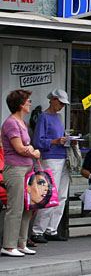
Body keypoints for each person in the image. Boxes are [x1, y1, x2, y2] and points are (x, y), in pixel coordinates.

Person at [2, 89, 41, 257]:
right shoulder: (11, 123)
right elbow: (19, 148)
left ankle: (21, 242)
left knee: (28, 207)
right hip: (15, 169)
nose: (30, 103)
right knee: (16, 207)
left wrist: (31, 150)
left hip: (27, 169)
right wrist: (33, 152)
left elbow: (26, 146)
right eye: (27, 101)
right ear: (20, 105)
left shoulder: (22, 123)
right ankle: (9, 246)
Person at [31, 89, 71, 243]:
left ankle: (51, 228)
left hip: (61, 157)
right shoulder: (44, 117)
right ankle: (38, 230)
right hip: (50, 158)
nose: (61, 106)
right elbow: (37, 141)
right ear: (53, 100)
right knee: (48, 194)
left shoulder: (58, 117)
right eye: (60, 102)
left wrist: (66, 141)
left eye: (63, 103)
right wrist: (55, 141)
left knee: (61, 195)